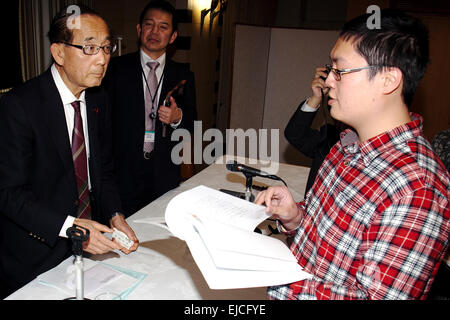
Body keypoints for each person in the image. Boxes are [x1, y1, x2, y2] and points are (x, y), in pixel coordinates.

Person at [255, 9, 450, 299]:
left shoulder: (417, 187)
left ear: (388, 80)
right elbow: (328, 244)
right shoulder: (346, 145)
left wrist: (264, 273)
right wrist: (296, 217)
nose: (329, 81)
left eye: (340, 71)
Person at [0, 6, 138, 299]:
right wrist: (72, 229)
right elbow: (8, 194)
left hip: (89, 254)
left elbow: (103, 169)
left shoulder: (99, 98)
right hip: (35, 256)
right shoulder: (19, 106)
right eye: (89, 48)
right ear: (59, 53)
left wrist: (115, 214)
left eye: (106, 47)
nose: (102, 59)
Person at [103, 0, 197, 217]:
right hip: (122, 172)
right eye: (149, 25)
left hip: (163, 172)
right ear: (139, 29)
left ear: (173, 36)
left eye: (163, 27)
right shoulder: (114, 69)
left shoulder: (183, 74)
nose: (155, 31)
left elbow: (193, 120)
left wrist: (177, 116)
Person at [284, 67, 342, 197]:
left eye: (340, 73)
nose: (331, 81)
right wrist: (317, 98)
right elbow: (295, 134)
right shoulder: (331, 138)